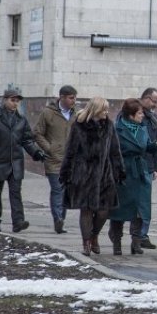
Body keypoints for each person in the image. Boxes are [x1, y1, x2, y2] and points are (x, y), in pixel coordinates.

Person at [59, 97, 125, 256]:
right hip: (84, 175)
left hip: (104, 175)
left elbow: (115, 150)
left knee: (104, 211)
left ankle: (94, 235)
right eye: (104, 109)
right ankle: (86, 242)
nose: (107, 112)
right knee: (86, 210)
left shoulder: (109, 125)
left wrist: (119, 171)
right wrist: (66, 173)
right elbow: (71, 151)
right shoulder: (79, 126)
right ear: (95, 110)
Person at [0, 89, 47, 233]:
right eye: (12, 100)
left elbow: (27, 140)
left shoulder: (21, 120)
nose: (15, 103)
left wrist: (36, 152)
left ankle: (18, 222)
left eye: (17, 101)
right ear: (5, 100)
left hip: (15, 163)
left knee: (15, 192)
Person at [108, 98, 157, 255]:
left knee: (141, 209)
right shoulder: (117, 129)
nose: (142, 115)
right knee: (119, 210)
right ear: (131, 115)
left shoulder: (142, 128)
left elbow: (146, 147)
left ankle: (136, 242)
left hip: (140, 171)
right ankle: (117, 242)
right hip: (124, 171)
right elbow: (113, 150)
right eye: (140, 113)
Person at [33, 85, 77, 234]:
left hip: (70, 160)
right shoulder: (48, 113)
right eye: (71, 98)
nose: (74, 101)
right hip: (54, 159)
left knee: (65, 192)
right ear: (62, 97)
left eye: (75, 98)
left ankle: (61, 220)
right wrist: (48, 148)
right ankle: (58, 219)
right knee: (57, 189)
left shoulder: (76, 114)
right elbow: (38, 133)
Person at [138, 87, 157, 249]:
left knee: (145, 202)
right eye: (154, 101)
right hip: (136, 164)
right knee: (134, 202)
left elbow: (155, 144)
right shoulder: (135, 113)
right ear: (145, 98)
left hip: (148, 165)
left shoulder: (152, 118)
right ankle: (135, 235)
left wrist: (155, 167)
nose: (156, 105)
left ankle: (142, 235)